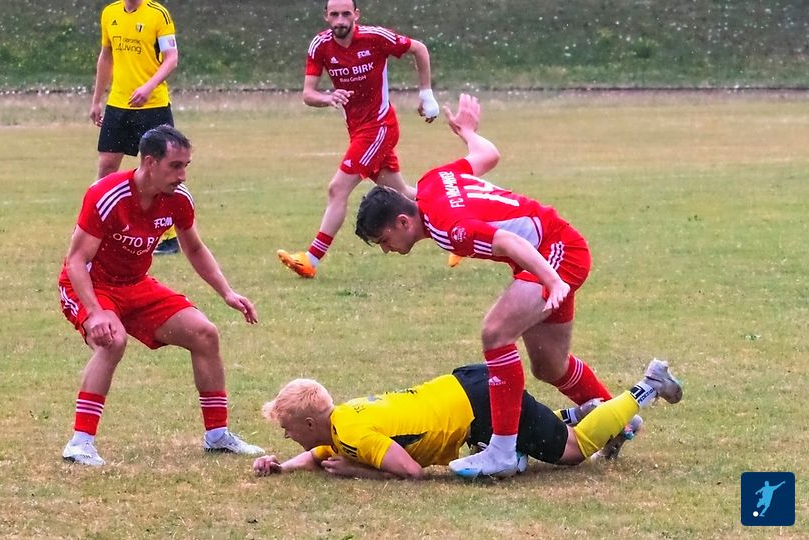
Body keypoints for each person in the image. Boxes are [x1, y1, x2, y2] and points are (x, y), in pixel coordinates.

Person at [354, 94, 623, 478]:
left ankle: (501, 451)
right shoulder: (431, 182)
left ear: (402, 222)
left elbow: (509, 241)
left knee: (495, 334)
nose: (386, 249)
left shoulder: (450, 228)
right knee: (550, 365)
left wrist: (552, 280)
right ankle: (617, 419)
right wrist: (468, 132)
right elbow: (487, 155)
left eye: (384, 240)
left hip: (555, 252)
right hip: (551, 250)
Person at [58, 125, 264, 466]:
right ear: (150, 162)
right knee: (112, 341)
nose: (182, 175)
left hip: (135, 284)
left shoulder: (178, 199)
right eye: (175, 166)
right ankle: (80, 443)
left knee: (205, 333)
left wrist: (227, 292)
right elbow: (77, 261)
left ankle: (217, 436)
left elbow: (194, 248)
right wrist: (94, 312)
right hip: (91, 285)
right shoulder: (107, 195)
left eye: (186, 166)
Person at [253, 359, 682, 479]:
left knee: (573, 451)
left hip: (478, 405)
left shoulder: (354, 435)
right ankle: (580, 413)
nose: (286, 436)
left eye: (287, 429)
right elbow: (322, 454)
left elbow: (411, 471)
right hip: (466, 389)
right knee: (528, 437)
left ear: (310, 424)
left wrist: (357, 472)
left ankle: (647, 386)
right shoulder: (341, 421)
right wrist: (280, 467)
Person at [276, 0, 440, 278]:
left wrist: (426, 94)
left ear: (356, 15)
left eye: (346, 14)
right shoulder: (320, 46)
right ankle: (458, 222)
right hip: (358, 131)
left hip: (380, 127)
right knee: (406, 194)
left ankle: (311, 260)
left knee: (337, 189)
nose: (340, 20)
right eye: (335, 14)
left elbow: (419, 48)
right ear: (326, 17)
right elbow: (308, 94)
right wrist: (328, 98)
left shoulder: (375, 38)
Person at [91, 0, 181, 255]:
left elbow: (171, 59)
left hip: (153, 105)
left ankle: (168, 237)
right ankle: (99, 229)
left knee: (158, 170)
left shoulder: (158, 14)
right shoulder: (110, 13)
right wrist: (96, 100)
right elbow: (106, 56)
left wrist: (148, 87)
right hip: (118, 104)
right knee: (106, 166)